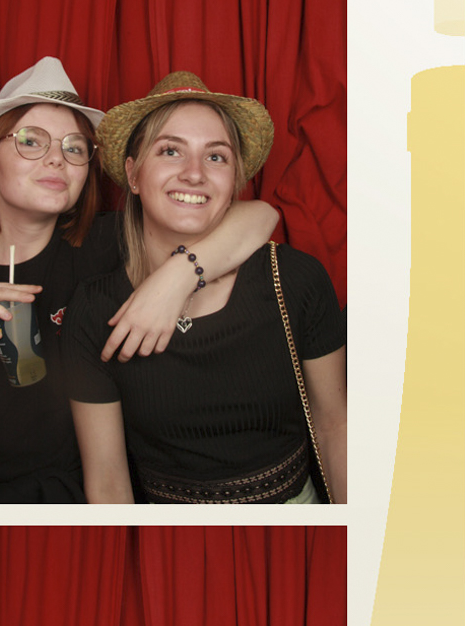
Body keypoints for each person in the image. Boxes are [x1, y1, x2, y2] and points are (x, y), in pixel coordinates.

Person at [0, 57, 278, 503]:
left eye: (75, 148)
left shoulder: (105, 247)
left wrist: (178, 275)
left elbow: (261, 216)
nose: (56, 158)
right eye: (31, 141)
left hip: (74, 495)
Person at [66, 72, 347, 503]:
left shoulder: (295, 278)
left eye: (216, 157)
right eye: (170, 150)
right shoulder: (94, 308)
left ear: (233, 181)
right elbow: (107, 479)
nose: (194, 173)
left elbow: (334, 426)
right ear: (133, 175)